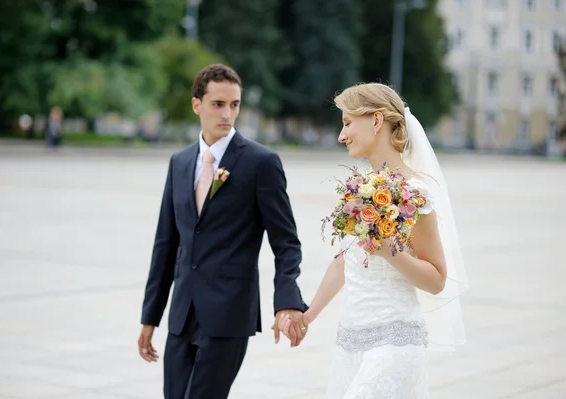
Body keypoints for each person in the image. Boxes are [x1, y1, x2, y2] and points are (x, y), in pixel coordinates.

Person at [278, 82, 468, 397]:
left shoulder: (416, 192)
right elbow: (344, 262)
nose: (341, 136)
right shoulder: (359, 190)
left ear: (377, 121)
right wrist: (307, 315)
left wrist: (389, 252)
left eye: (348, 123)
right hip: (350, 348)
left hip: (394, 348)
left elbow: (437, 280)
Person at [137, 64, 308, 399]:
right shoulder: (180, 162)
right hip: (182, 314)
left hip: (229, 314)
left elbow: (286, 242)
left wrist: (286, 300)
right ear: (196, 104)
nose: (228, 114)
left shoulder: (261, 163)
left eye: (235, 105)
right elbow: (166, 245)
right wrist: (150, 317)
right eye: (218, 104)